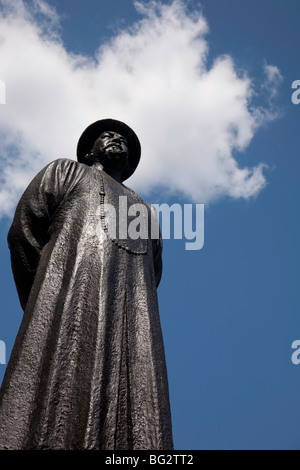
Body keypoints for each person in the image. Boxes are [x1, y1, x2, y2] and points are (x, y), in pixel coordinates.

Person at [0, 119, 173, 450]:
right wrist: (46, 301)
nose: (116, 140)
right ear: (88, 150)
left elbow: (152, 272)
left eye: (123, 139)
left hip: (131, 315)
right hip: (68, 298)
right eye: (107, 136)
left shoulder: (146, 211)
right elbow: (23, 233)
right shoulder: (65, 171)